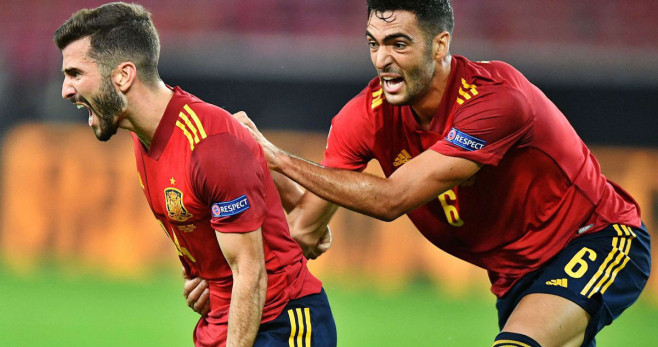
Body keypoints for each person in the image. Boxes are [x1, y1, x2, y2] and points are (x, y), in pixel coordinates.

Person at [187, 1, 652, 346]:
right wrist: (225, 276)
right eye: (374, 43)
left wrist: (275, 156)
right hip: (515, 278)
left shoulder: (496, 100)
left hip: (597, 238)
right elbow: (304, 231)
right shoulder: (363, 117)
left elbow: (392, 200)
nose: (382, 59)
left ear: (441, 45)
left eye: (399, 43)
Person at [53, 3, 337, 347]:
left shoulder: (210, 143)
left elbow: (250, 272)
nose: (66, 90)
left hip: (281, 324)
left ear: (123, 76)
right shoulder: (145, 137)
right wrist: (208, 277)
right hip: (222, 324)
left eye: (76, 74)